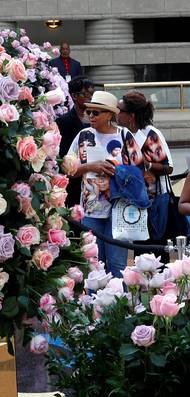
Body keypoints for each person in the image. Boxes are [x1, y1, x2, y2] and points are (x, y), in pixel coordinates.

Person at [67, 91, 128, 277]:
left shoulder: (124, 135)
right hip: (91, 209)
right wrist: (90, 167)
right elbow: (69, 169)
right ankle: (94, 306)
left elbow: (141, 170)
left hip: (119, 208)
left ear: (109, 115)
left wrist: (118, 172)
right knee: (95, 265)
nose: (90, 116)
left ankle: (120, 304)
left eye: (96, 112)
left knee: (117, 265)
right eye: (89, 112)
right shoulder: (83, 136)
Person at [117, 91, 173, 198]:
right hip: (130, 197)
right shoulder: (120, 132)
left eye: (119, 110)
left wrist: (146, 164)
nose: (116, 113)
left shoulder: (150, 134)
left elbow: (169, 168)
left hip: (153, 199)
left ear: (131, 116)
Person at [56, 76, 94, 206]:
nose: (90, 97)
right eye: (86, 94)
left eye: (92, 93)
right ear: (74, 96)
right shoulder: (64, 121)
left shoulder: (97, 120)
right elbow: (63, 155)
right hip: (74, 181)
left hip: (95, 180)